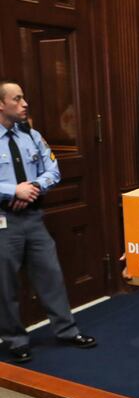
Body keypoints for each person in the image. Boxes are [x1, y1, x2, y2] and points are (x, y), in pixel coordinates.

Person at [0, 81, 96, 363]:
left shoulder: (31, 136)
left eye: (24, 98)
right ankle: (15, 340)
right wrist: (12, 191)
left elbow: (53, 170)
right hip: (4, 221)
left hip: (33, 217)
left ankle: (67, 330)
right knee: (6, 285)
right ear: (1, 104)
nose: (25, 103)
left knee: (51, 275)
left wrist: (32, 187)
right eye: (17, 99)